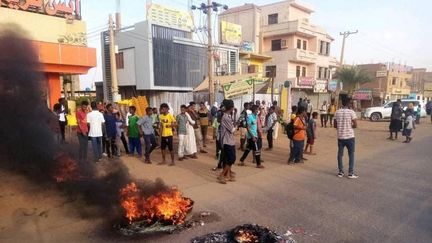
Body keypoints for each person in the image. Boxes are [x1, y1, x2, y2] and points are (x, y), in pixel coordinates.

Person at [334, 97, 358, 179]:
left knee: (340, 155)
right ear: (348, 104)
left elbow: (335, 125)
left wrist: (341, 126)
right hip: (350, 137)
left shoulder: (337, 112)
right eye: (350, 103)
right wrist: (349, 125)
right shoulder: (352, 112)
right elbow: (355, 125)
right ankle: (350, 173)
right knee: (351, 155)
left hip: (340, 137)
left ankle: (340, 172)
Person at [217, 99, 237, 184]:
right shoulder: (225, 117)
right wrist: (238, 124)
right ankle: (222, 175)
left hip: (230, 140)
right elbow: (232, 130)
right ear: (231, 108)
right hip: (227, 141)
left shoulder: (228, 116)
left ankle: (228, 174)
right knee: (231, 158)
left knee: (229, 159)